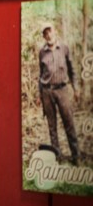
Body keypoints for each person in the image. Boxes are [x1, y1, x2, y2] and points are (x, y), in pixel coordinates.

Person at [36, 23, 80, 165]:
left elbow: (72, 70)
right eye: (45, 33)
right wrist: (39, 95)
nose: (48, 35)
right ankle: (58, 157)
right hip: (47, 92)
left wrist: (76, 88)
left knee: (69, 122)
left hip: (62, 90)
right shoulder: (42, 52)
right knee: (52, 126)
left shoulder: (64, 48)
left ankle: (76, 156)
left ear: (55, 32)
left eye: (50, 32)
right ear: (43, 36)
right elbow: (40, 74)